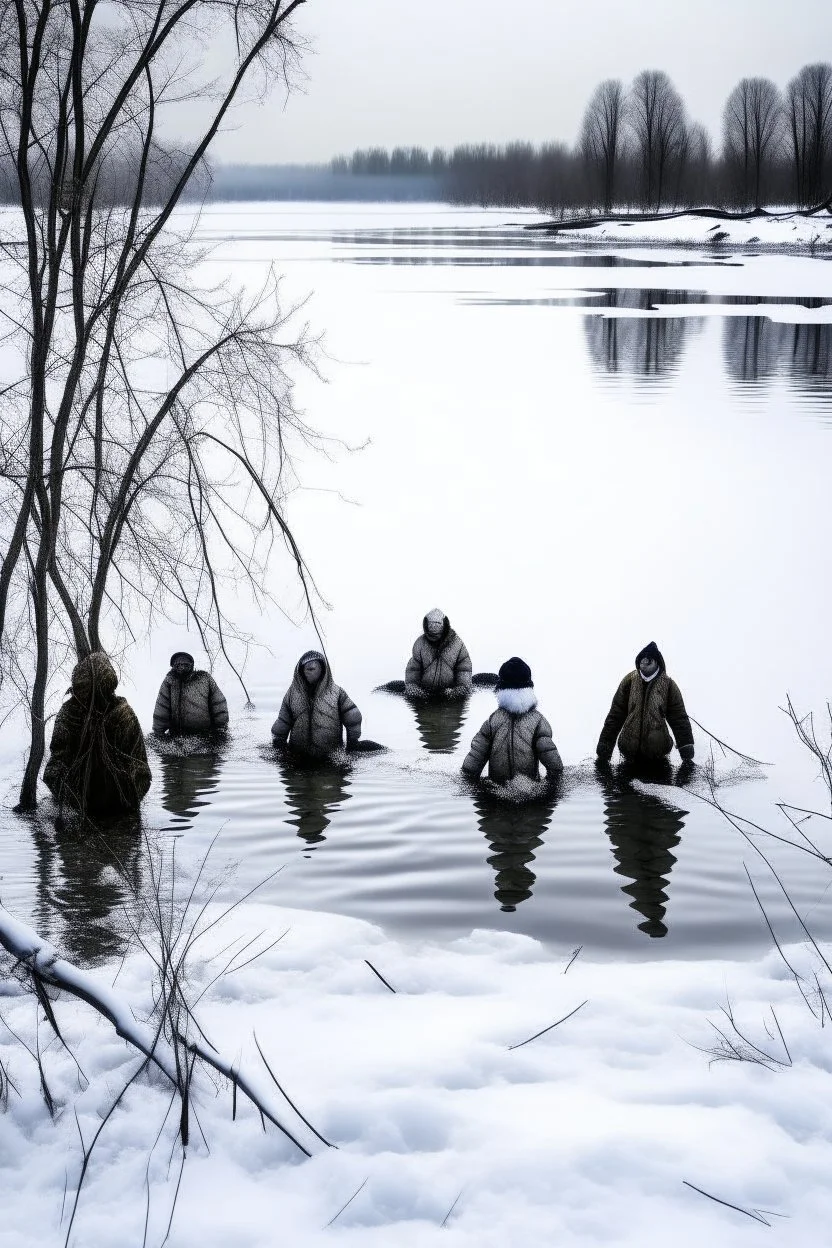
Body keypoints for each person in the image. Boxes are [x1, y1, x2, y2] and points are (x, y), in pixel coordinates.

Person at [43, 652, 152, 816]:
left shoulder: (123, 715)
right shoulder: (69, 713)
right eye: (84, 690)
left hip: (121, 809)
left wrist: (127, 799)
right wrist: (71, 798)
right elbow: (56, 762)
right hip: (79, 806)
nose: (89, 696)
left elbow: (140, 767)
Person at [461, 657, 563, 784]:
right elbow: (555, 766)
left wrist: (468, 780)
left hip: (494, 793)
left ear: (501, 689)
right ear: (530, 687)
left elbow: (473, 762)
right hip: (529, 793)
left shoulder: (493, 720)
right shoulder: (538, 721)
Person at [596, 641, 694, 766]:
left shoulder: (669, 685)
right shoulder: (629, 681)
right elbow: (616, 713)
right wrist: (605, 744)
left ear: (656, 661)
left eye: (649, 659)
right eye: (642, 659)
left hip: (658, 755)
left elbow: (678, 717)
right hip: (628, 753)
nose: (645, 662)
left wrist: (686, 746)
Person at [271, 650, 362, 759]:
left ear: (322, 669)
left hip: (331, 759)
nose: (306, 672)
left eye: (311, 669)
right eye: (303, 669)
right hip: (297, 759)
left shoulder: (337, 693)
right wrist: (279, 749)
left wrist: (352, 746)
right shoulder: (291, 694)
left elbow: (353, 718)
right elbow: (282, 722)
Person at [152, 651, 229, 737]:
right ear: (173, 666)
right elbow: (162, 706)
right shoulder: (170, 681)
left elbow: (218, 703)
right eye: (177, 663)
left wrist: (220, 729)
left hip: (205, 736)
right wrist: (158, 732)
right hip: (177, 737)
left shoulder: (204, 678)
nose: (181, 666)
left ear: (191, 664)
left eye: (185, 663)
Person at [405, 608, 473, 699]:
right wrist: (412, 687)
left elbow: (464, 668)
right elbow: (413, 669)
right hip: (424, 696)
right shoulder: (420, 643)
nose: (434, 638)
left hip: (451, 698)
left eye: (437, 635)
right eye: (431, 635)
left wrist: (459, 690)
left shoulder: (457, 644)